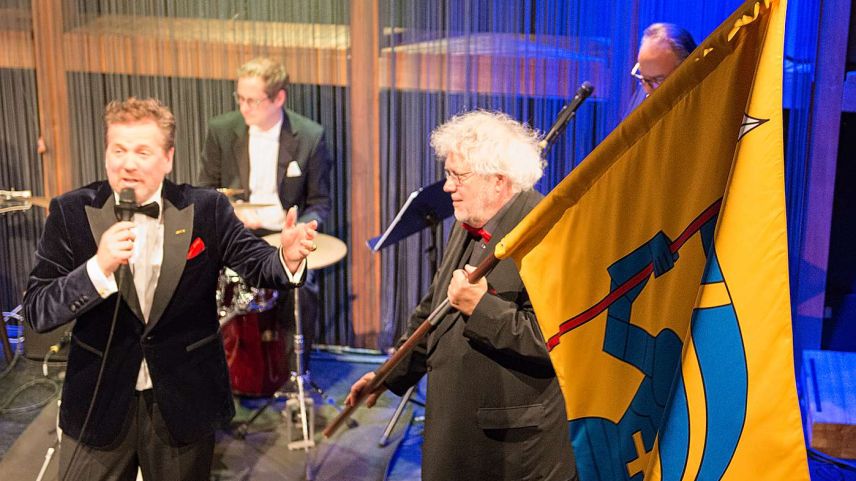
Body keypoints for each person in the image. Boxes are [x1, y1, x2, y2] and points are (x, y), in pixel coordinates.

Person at [22, 97, 317, 480]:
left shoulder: (205, 209)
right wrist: (98, 267)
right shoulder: (70, 213)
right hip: (99, 403)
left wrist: (288, 257)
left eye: (143, 151)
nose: (128, 163)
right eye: (119, 149)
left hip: (183, 402)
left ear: (168, 158)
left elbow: (259, 265)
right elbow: (38, 310)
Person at [346, 110, 578, 481]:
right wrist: (388, 374)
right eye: (449, 175)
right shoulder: (472, 218)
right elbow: (436, 308)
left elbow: (556, 341)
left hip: (510, 449)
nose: (447, 187)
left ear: (499, 180)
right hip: (459, 431)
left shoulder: (548, 232)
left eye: (458, 176)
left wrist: (481, 308)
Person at [197, 57, 331, 371]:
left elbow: (319, 202)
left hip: (281, 236)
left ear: (278, 98)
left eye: (253, 101)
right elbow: (205, 189)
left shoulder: (309, 136)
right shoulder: (221, 130)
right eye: (240, 99)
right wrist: (228, 216)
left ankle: (292, 371)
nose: (244, 108)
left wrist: (299, 230)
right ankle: (218, 371)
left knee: (304, 288)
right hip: (235, 234)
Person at [624, 23, 697, 117]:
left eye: (658, 80)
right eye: (645, 79)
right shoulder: (644, 90)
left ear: (686, 73)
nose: (648, 91)